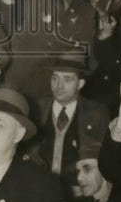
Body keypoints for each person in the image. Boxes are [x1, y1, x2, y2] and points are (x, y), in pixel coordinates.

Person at [34, 57, 110, 192]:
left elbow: (106, 160)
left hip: (78, 192)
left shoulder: (97, 113)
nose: (59, 86)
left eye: (67, 79)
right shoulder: (37, 109)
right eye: (55, 78)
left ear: (80, 84)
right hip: (38, 189)